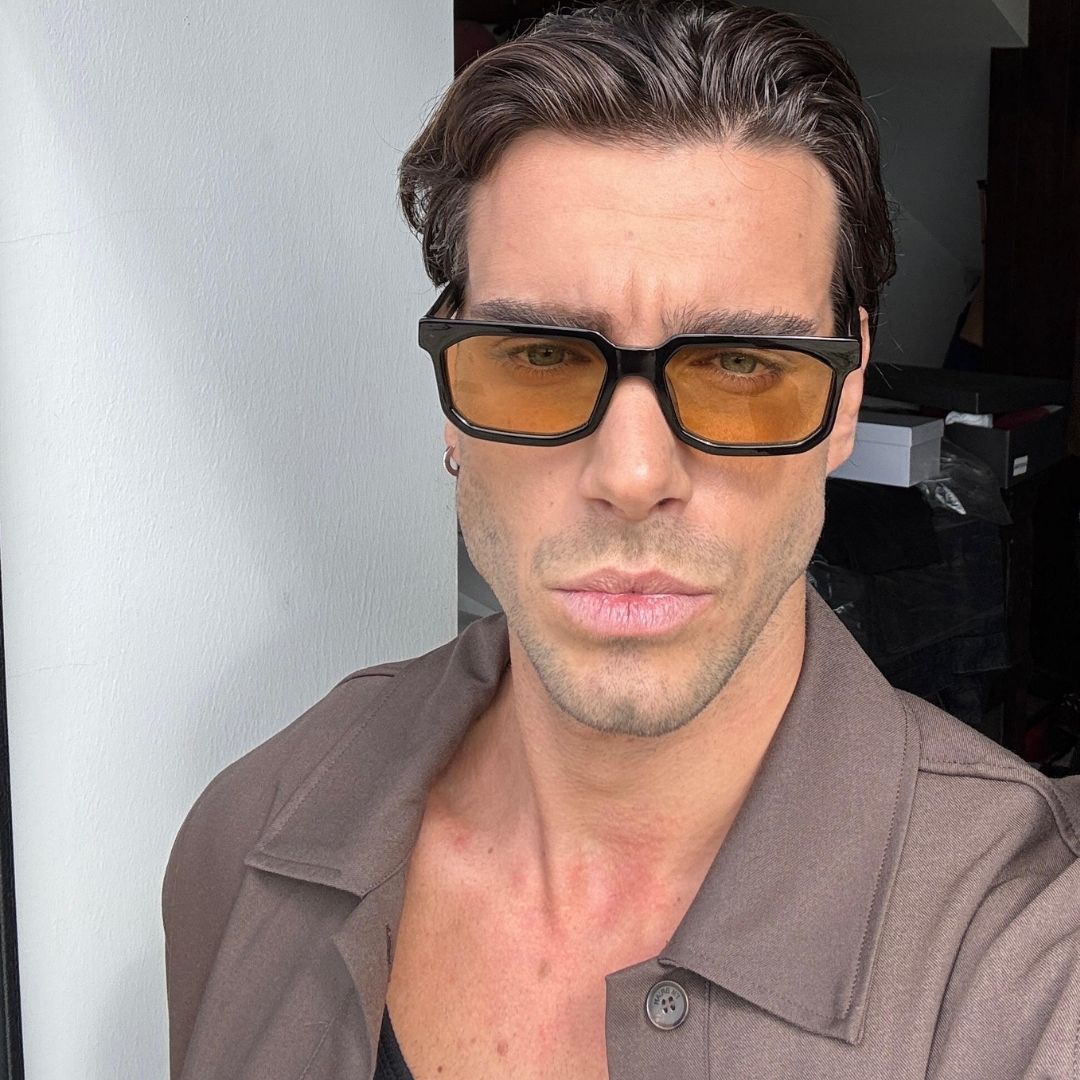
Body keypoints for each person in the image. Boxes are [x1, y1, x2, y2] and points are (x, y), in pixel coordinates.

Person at [162, 3, 1080, 1078]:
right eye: (540, 356)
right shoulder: (249, 841)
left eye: (741, 364)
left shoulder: (1033, 968)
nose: (634, 477)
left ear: (844, 395)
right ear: (452, 398)